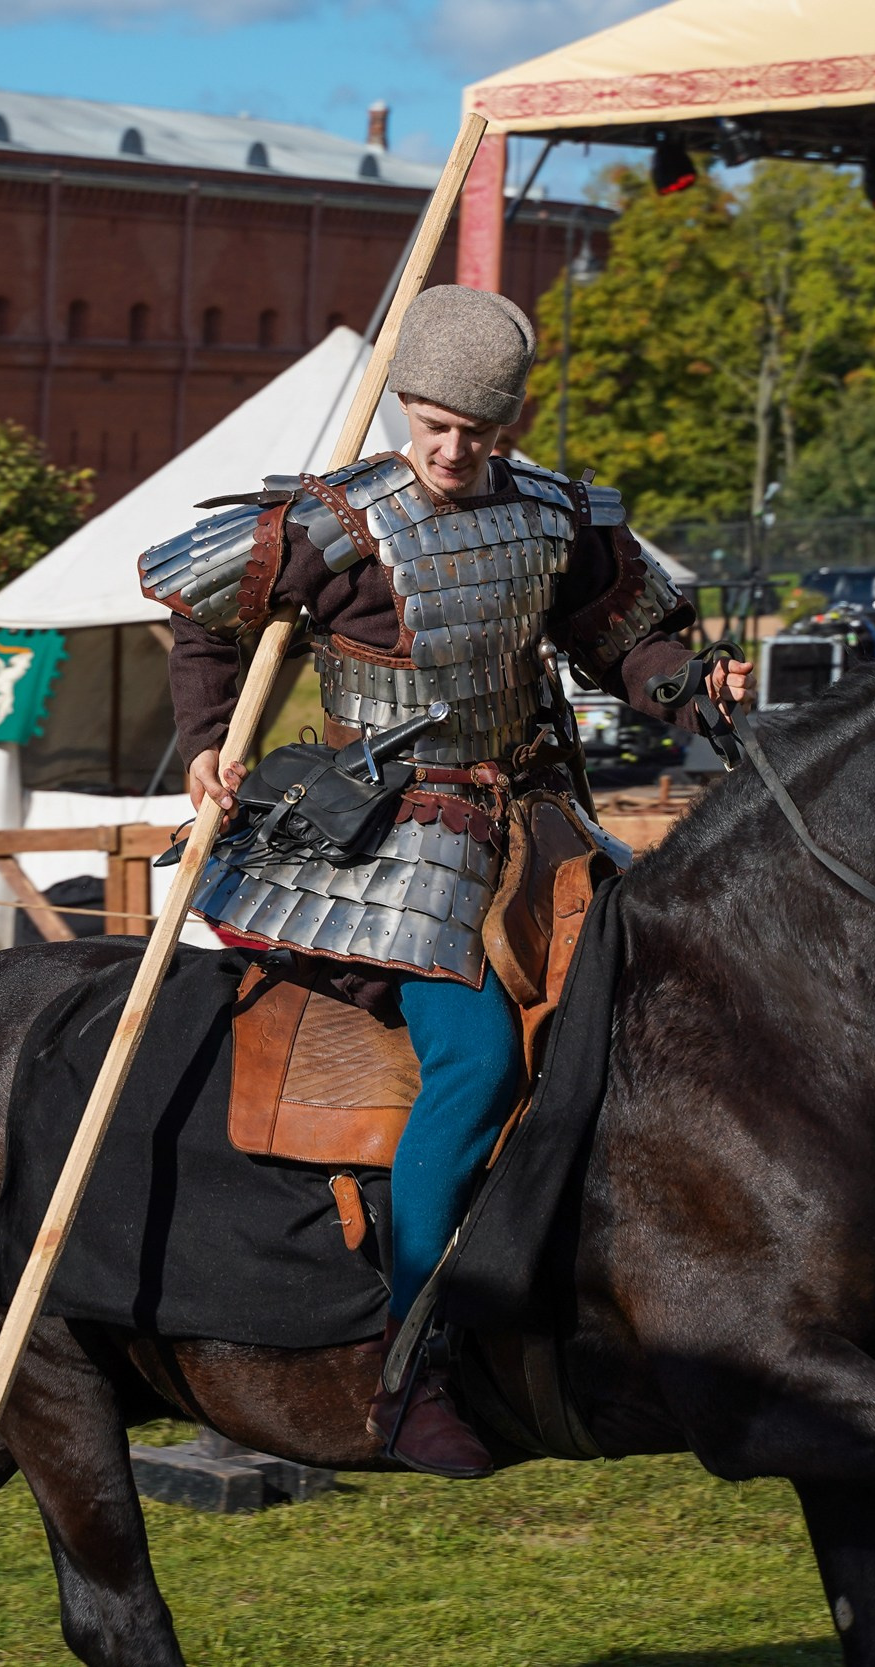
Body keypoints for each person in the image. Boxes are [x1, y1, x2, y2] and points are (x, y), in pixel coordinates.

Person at [137, 285, 748, 1477]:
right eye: (431, 424)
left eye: (477, 430)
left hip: (538, 818)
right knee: (472, 1058)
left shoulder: (556, 517)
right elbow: (202, 610)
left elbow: (623, 638)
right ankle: (406, 1358)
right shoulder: (337, 527)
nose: (452, 450)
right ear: (402, 408)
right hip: (395, 833)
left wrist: (690, 683)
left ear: (509, 424)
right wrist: (212, 733)